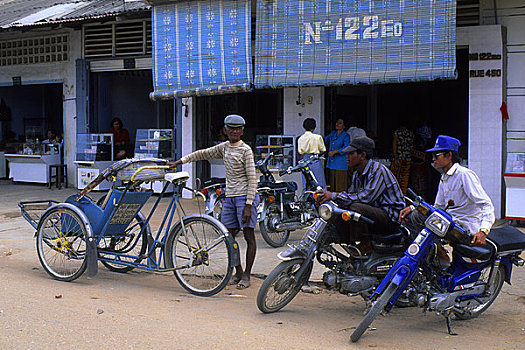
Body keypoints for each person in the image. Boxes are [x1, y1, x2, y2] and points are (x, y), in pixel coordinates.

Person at [168, 114, 258, 289]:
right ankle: (237, 271)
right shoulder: (224, 148)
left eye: (238, 129)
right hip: (230, 197)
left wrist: (248, 204)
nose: (234, 131)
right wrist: (179, 162)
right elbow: (202, 153)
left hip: (245, 197)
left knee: (249, 236)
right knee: (228, 236)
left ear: (242, 131)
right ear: (225, 130)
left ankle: (247, 275)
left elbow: (252, 178)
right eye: (231, 128)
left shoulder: (246, 150)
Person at [282, 136, 405, 258]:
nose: (347, 157)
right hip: (373, 215)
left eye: (351, 154)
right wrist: (327, 199)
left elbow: (365, 198)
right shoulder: (358, 173)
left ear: (362, 155)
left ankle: (365, 245)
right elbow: (350, 195)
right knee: (340, 209)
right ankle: (348, 243)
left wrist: (332, 195)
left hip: (391, 218)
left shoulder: (378, 170)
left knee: (355, 207)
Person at [399, 135, 495, 265]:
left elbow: (486, 204)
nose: (433, 159)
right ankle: (430, 256)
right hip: (450, 225)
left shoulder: (464, 175)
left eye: (436, 156)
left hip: (464, 227)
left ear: (449, 155)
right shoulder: (444, 177)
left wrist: (483, 231)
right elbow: (438, 207)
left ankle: (440, 254)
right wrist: (412, 207)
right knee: (410, 217)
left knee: (418, 217)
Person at [297, 118, 326, 190]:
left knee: (306, 182)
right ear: (314, 127)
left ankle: (305, 199)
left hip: (304, 161)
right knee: (320, 182)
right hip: (314, 160)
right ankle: (322, 199)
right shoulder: (317, 137)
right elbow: (323, 150)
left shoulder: (300, 138)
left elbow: (300, 151)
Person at [324, 118, 350, 192]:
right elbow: (324, 140)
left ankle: (341, 201)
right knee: (333, 185)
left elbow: (347, 147)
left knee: (340, 186)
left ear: (344, 126)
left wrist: (335, 151)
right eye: (337, 122)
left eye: (340, 123)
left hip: (341, 164)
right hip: (332, 163)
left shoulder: (346, 136)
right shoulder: (333, 133)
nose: (337, 124)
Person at [390, 118, 415, 195]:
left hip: (399, 158)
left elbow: (394, 146)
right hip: (407, 158)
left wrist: (395, 158)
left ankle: (395, 196)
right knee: (404, 180)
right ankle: (403, 197)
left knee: (395, 179)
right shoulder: (411, 133)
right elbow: (412, 146)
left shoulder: (397, 133)